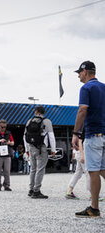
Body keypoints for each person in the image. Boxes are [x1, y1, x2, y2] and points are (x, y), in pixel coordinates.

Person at [72, 61, 105, 218]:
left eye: (79, 72)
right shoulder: (104, 87)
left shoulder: (86, 88)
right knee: (103, 170)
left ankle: (94, 208)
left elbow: (82, 110)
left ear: (85, 71)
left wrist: (76, 132)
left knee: (93, 172)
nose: (78, 75)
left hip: (93, 134)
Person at [24, 106, 56, 199]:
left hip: (31, 147)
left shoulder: (29, 121)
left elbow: (25, 136)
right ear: (44, 112)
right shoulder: (47, 121)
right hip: (42, 148)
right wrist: (53, 150)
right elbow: (51, 136)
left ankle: (31, 189)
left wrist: (27, 149)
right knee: (40, 169)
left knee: (33, 169)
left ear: (35, 111)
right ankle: (36, 191)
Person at [0, 119, 14, 191]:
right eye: (2, 127)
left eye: (4, 127)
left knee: (7, 171)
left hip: (7, 155)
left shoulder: (9, 133)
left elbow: (13, 143)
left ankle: (6, 185)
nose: (3, 128)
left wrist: (9, 143)